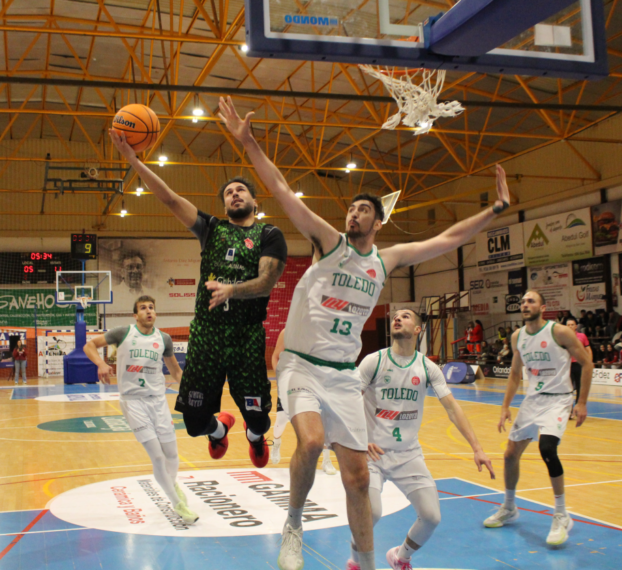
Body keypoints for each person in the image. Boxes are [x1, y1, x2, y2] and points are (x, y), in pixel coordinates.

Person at [218, 96, 510, 570]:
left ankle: (366, 562)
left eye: (361, 210)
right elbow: (284, 191)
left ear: (377, 221)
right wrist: (249, 144)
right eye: (350, 209)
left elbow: (448, 239)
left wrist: (495, 209)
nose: (352, 214)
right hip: (300, 365)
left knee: (357, 478)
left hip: (341, 375)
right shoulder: (329, 242)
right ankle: (292, 525)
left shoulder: (385, 260)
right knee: (311, 442)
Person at [109, 129, 288, 468]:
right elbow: (170, 199)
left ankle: (254, 436)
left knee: (260, 418)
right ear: (223, 204)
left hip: (247, 336)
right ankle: (219, 428)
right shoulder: (212, 229)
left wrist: (231, 290)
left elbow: (266, 282)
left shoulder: (268, 234)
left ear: (254, 201)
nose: (234, 195)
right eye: (229, 193)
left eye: (241, 190)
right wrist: (134, 161)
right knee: (193, 423)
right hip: (207, 336)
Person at [356, 309, 495, 570]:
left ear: (418, 329)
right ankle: (355, 559)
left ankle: (401, 557)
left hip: (408, 454)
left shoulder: (427, 367)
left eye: (406, 316)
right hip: (371, 453)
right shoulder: (373, 361)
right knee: (370, 513)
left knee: (431, 517)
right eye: (396, 316)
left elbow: (453, 408)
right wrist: (358, 438)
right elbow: (349, 401)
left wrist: (478, 448)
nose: (398, 318)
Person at [484, 290, 592, 546]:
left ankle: (561, 514)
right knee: (510, 454)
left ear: (543, 308)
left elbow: (587, 364)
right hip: (533, 400)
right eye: (522, 301)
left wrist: (583, 402)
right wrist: (505, 407)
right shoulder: (517, 336)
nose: (525, 304)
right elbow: (514, 374)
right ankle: (509, 507)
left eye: (531, 301)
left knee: (547, 448)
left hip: (559, 399)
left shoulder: (560, 332)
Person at [83, 296, 198, 524]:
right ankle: (178, 503)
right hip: (133, 402)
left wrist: (191, 388)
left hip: (158, 401)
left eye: (152, 308)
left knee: (172, 455)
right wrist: (102, 364)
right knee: (157, 456)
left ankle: (170, 485)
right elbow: (89, 345)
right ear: (135, 315)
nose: (148, 311)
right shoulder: (123, 333)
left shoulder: (163, 338)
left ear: (155, 313)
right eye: (143, 308)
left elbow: (175, 371)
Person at [270, 328, 336, 475]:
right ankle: (276, 443)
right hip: (289, 382)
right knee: (281, 420)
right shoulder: (286, 332)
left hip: (313, 384)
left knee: (322, 422)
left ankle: (326, 460)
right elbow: (275, 357)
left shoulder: (320, 333)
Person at [565, 317, 591, 416]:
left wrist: (589, 362)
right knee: (568, 388)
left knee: (580, 387)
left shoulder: (582, 336)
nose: (570, 326)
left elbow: (588, 350)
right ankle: (569, 410)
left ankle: (579, 408)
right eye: (568, 325)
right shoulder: (562, 337)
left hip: (579, 364)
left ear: (576, 326)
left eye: (572, 324)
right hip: (568, 365)